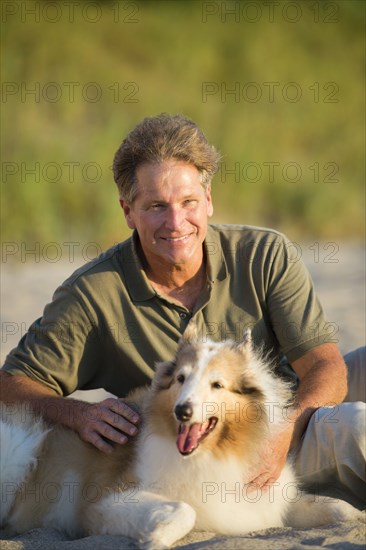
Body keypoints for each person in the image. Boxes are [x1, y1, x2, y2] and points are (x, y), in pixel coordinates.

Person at [1, 113, 365, 509]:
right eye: (156, 206)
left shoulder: (264, 254)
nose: (176, 223)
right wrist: (75, 414)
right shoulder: (91, 293)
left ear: (208, 201)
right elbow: (11, 386)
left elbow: (325, 366)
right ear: (127, 211)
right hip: (220, 456)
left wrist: (285, 429)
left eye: (188, 202)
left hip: (286, 418)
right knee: (357, 429)